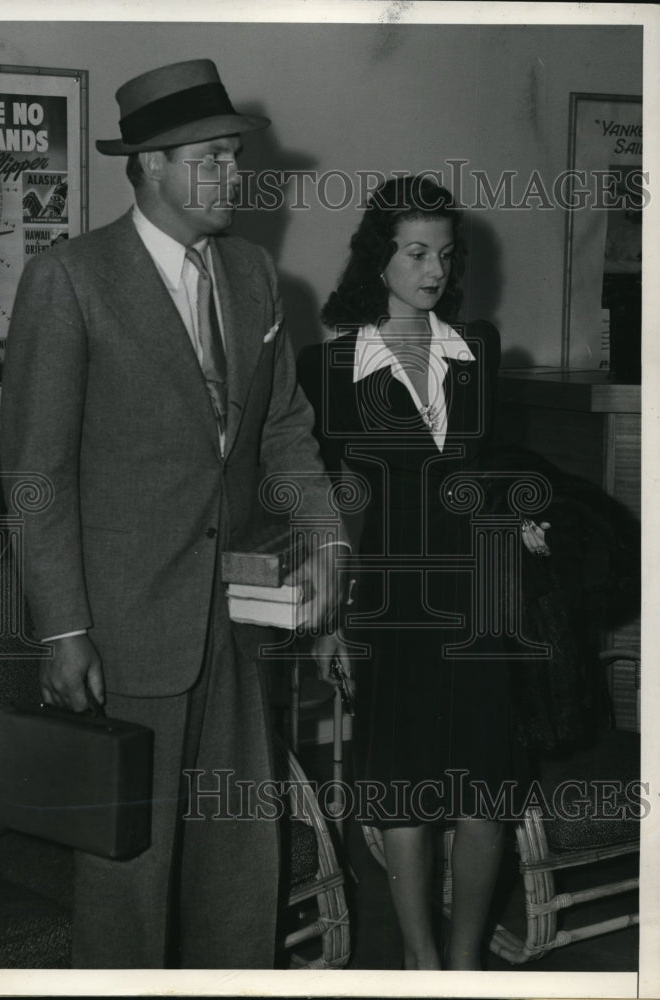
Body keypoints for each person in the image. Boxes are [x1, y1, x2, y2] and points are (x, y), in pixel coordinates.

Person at [1, 58, 344, 970]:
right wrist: (62, 627)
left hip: (234, 625)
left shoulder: (254, 276)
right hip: (121, 630)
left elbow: (282, 433)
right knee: (130, 875)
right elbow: (34, 474)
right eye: (211, 157)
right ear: (149, 164)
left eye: (235, 155)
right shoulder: (68, 279)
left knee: (240, 866)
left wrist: (326, 538)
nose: (234, 174)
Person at [297, 175, 548, 970]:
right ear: (379, 259)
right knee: (404, 790)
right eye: (414, 252)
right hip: (391, 603)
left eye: (444, 253)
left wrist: (524, 517)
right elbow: (335, 504)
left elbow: (493, 465)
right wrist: (329, 620)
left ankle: (465, 963)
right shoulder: (327, 366)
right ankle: (420, 962)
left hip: (481, 594)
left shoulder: (479, 345)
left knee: (485, 793)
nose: (432, 268)